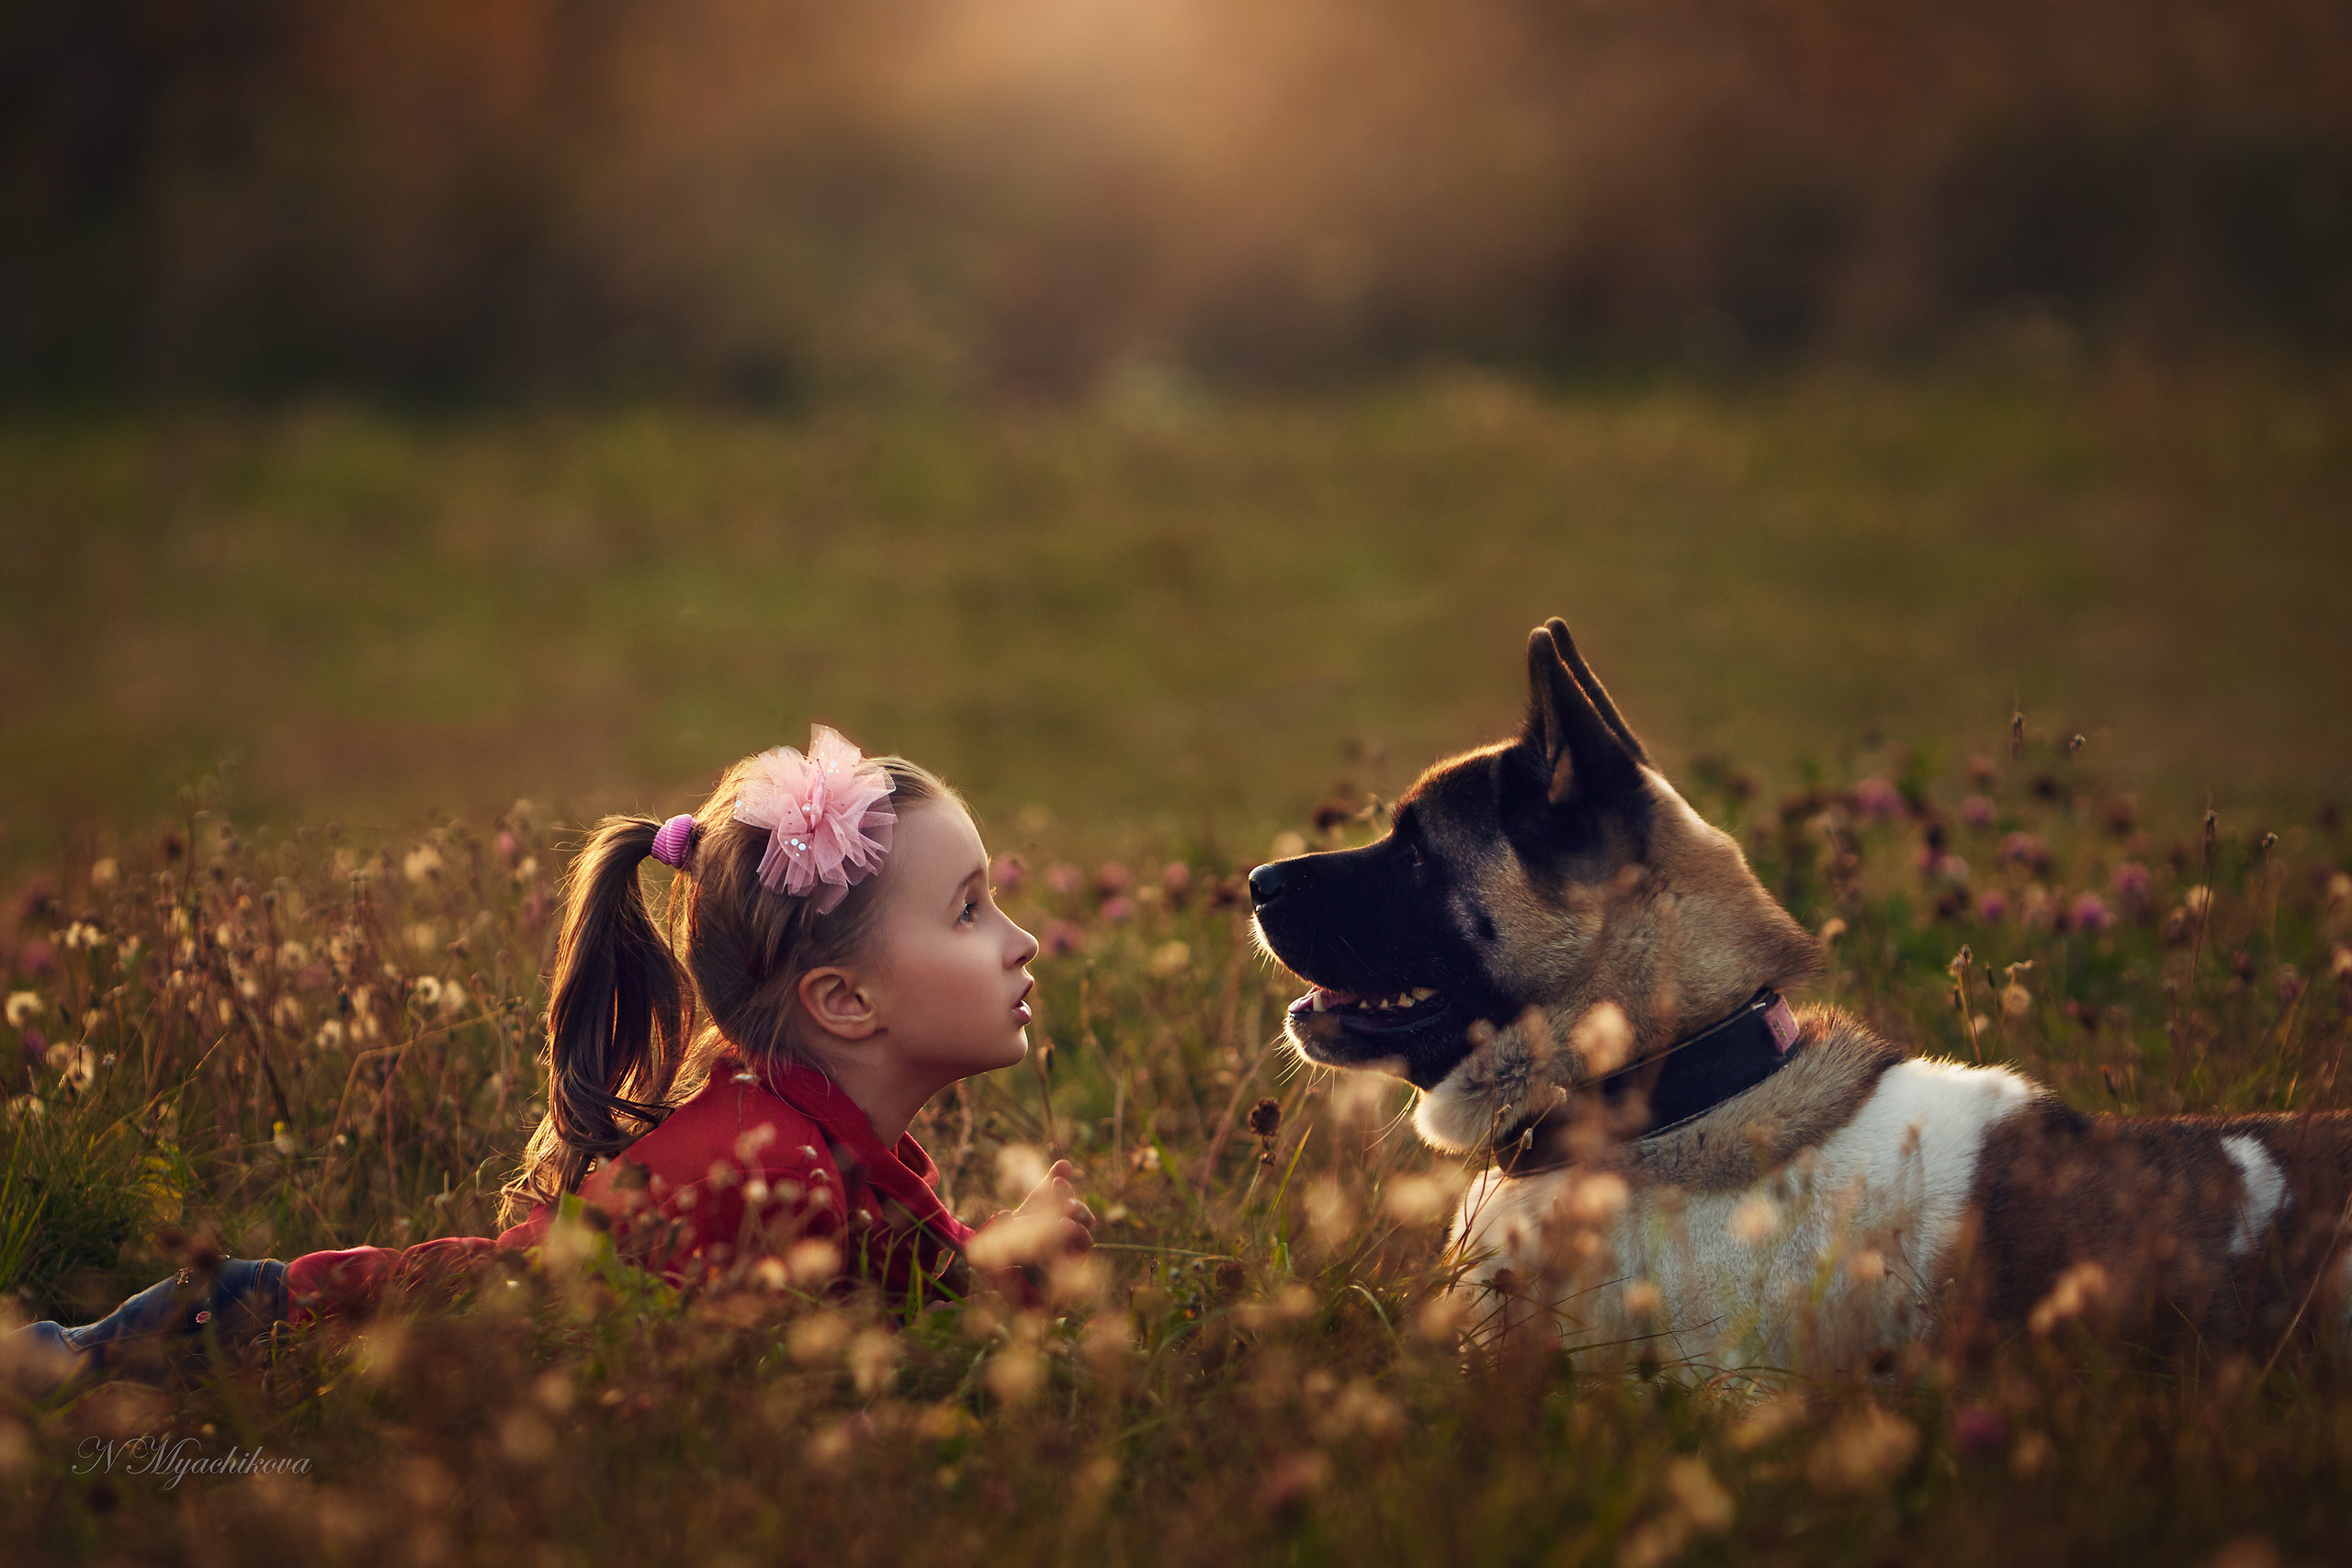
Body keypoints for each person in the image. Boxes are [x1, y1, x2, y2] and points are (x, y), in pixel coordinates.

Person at [6, 728, 1093, 1392]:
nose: (1021, 938)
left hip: (322, 1332)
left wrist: (1012, 1259)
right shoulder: (766, 1170)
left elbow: (904, 1286)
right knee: (59, 1388)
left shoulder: (830, 1145)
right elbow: (805, 1386)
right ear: (843, 1001)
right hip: (271, 1337)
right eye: (968, 911)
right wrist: (1009, 1280)